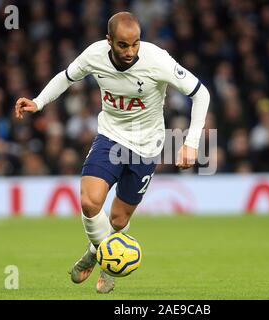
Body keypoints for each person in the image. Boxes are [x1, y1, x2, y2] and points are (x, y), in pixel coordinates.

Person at [14, 12, 210, 294]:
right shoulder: (94, 54)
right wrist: (38, 102)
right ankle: (108, 263)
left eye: (135, 44)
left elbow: (200, 93)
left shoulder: (158, 60)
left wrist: (191, 142)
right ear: (109, 41)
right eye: (122, 45)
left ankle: (96, 254)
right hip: (110, 138)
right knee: (90, 203)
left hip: (146, 147)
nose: (130, 51)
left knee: (118, 221)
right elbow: (66, 77)